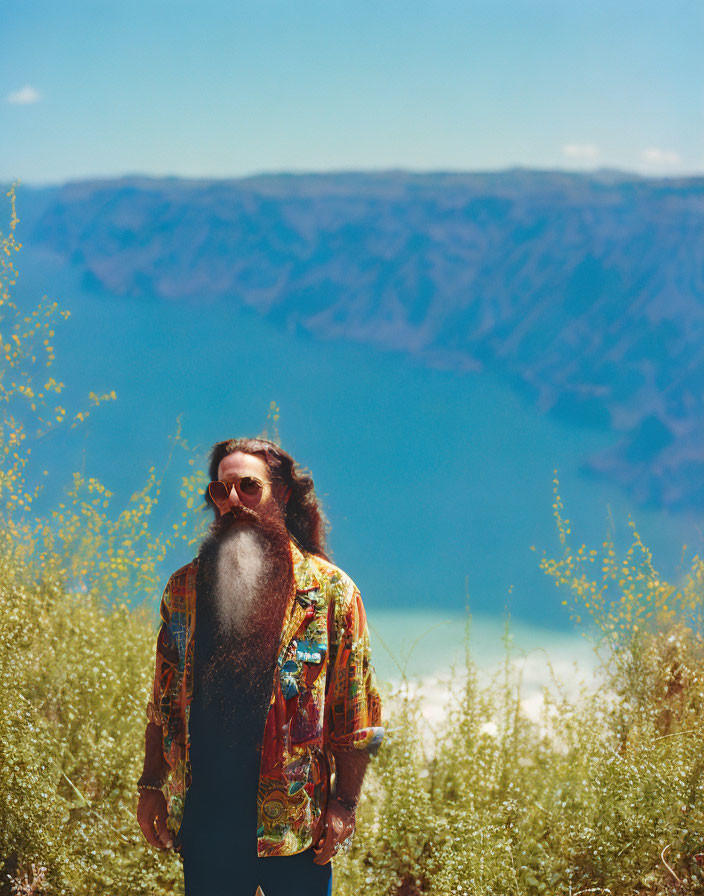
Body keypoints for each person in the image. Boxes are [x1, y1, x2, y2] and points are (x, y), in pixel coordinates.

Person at [136, 437, 384, 896]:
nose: (232, 500)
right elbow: (164, 701)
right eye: (220, 490)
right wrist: (151, 785)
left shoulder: (332, 594)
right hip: (207, 822)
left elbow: (356, 717)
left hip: (294, 825)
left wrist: (345, 806)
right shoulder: (183, 590)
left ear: (283, 494)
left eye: (248, 486)